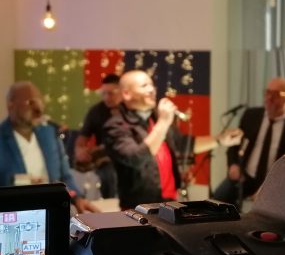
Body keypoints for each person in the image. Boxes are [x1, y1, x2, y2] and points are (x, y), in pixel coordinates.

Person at [103, 70, 243, 210]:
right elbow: (137, 158)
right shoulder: (116, 125)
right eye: (144, 86)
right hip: (138, 208)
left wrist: (219, 140)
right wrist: (163, 122)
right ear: (126, 94)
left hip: (168, 202)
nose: (151, 90)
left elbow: (183, 144)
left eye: (152, 85)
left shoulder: (155, 118)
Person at [0, 82, 99, 214]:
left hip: (52, 214)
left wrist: (77, 198)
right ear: (11, 105)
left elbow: (65, 177)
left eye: (40, 102)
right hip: (13, 217)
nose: (38, 109)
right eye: (30, 102)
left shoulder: (50, 135)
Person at [213, 77, 285, 205]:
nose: (269, 98)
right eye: (267, 92)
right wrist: (233, 165)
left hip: (275, 182)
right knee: (215, 201)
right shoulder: (251, 115)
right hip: (245, 176)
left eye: (276, 94)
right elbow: (234, 146)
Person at [74, 73, 122, 198]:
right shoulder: (95, 111)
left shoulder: (131, 109)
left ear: (122, 92)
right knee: (109, 173)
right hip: (106, 158)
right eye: (103, 93)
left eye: (111, 93)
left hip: (130, 155)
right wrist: (80, 151)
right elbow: (81, 139)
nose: (106, 97)